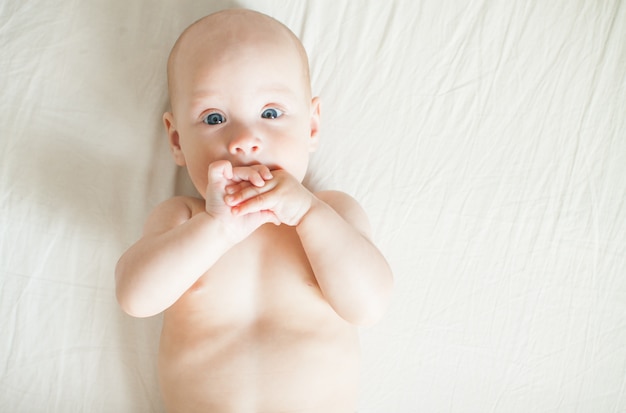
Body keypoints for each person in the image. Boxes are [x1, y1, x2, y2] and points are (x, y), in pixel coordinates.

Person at [115, 8, 393, 413]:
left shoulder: (331, 212)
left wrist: (308, 214)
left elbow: (370, 306)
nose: (245, 140)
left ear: (312, 127)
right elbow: (134, 297)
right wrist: (217, 229)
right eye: (214, 118)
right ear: (177, 139)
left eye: (270, 113)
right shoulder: (183, 219)